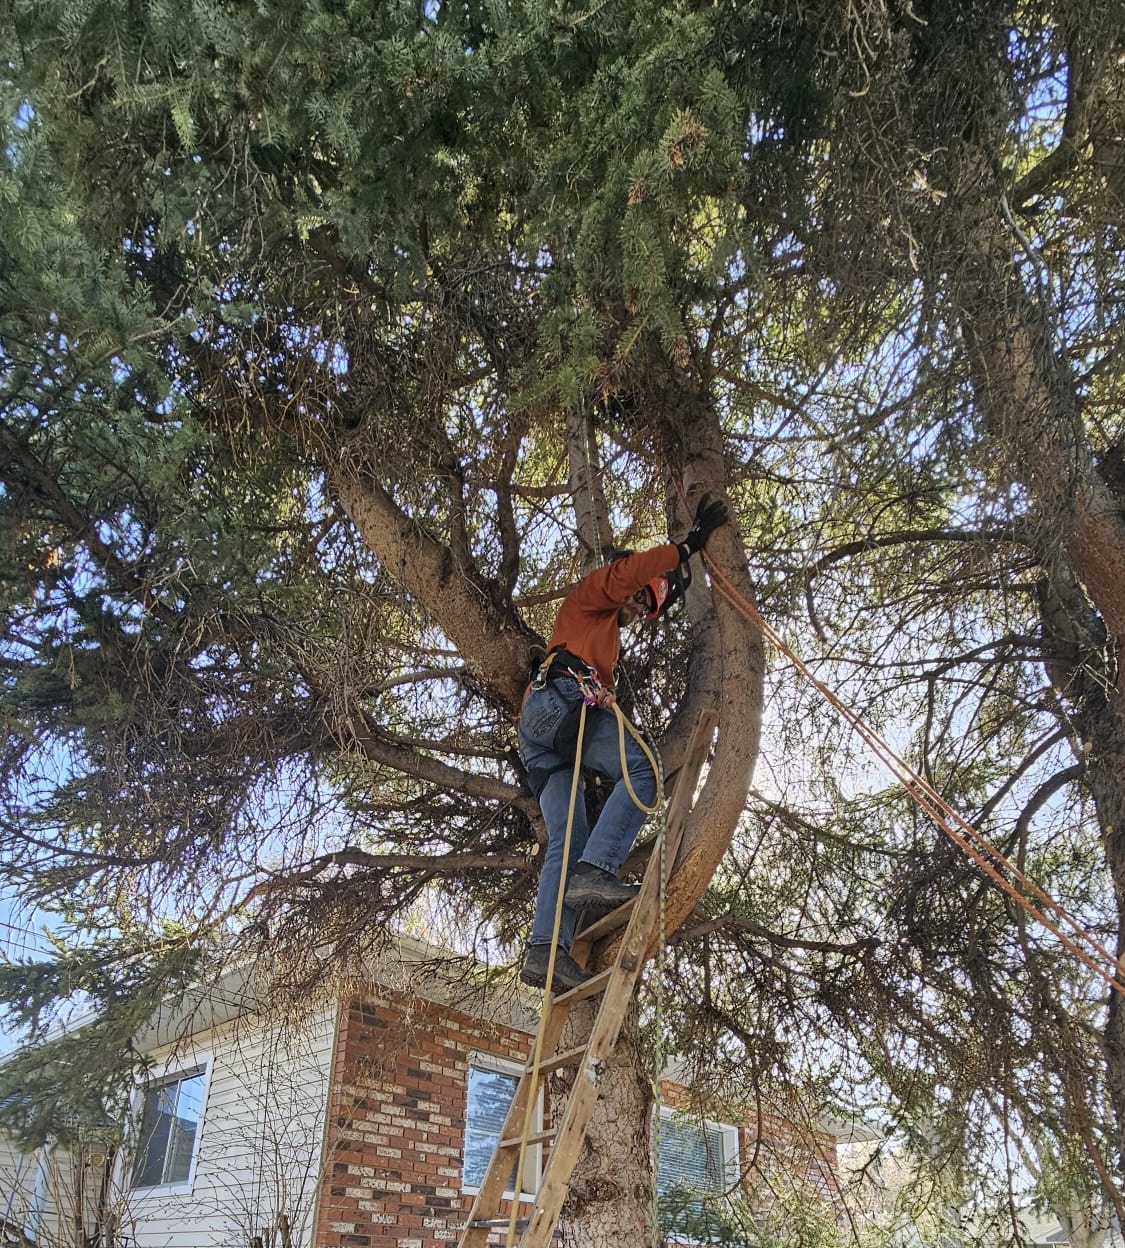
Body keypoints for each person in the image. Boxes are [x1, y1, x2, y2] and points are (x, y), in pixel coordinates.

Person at [517, 494, 730, 992]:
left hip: (544, 739)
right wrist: (685, 549)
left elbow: (633, 594)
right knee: (644, 770)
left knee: (567, 838)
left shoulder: (599, 633)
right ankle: (597, 870)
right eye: (638, 597)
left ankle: (545, 951)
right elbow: (626, 575)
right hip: (560, 704)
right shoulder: (593, 595)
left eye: (645, 607)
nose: (637, 607)